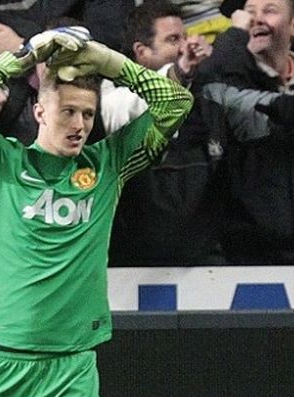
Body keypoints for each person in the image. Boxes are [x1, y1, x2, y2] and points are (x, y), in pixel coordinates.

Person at [0, 27, 192, 397]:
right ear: (39, 110)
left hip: (70, 373)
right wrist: (26, 54)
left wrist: (109, 61)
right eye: (68, 111)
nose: (79, 126)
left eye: (88, 115)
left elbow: (176, 103)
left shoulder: (109, 165)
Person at [192, 0, 294, 264]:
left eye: (270, 10)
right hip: (247, 260)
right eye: (250, 13)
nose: (257, 19)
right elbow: (208, 86)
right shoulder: (230, 83)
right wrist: (235, 35)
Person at [109, 0, 228, 266]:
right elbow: (137, 103)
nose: (184, 47)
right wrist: (179, 72)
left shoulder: (208, 98)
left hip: (206, 265)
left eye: (185, 38)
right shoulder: (111, 97)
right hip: (132, 267)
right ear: (141, 51)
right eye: (173, 39)